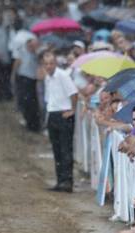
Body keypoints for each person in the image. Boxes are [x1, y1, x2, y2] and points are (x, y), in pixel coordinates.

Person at [43, 52, 78, 193]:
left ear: (55, 63)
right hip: (53, 113)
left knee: (65, 149)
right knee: (56, 149)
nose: (48, 66)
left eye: (51, 63)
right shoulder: (47, 78)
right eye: (46, 64)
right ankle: (60, 180)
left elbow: (74, 93)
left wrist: (72, 110)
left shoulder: (63, 75)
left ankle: (67, 181)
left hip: (64, 113)